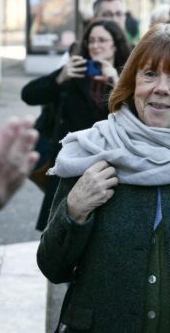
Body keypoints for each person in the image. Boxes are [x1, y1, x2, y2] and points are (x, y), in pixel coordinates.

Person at [37, 22, 170, 332]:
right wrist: (74, 211)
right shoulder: (92, 152)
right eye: (150, 74)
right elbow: (52, 267)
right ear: (132, 81)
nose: (162, 87)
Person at [21, 19, 131, 231]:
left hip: (111, 165)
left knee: (103, 229)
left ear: (115, 44)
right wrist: (60, 77)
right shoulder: (75, 69)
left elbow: (134, 114)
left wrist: (116, 81)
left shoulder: (127, 74)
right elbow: (28, 94)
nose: (96, 45)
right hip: (72, 162)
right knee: (62, 227)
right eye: (91, 40)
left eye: (102, 40)